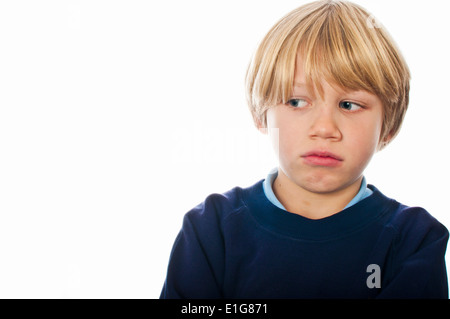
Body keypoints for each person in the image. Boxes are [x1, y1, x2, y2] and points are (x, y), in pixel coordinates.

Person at [160, 0, 449, 298]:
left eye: (349, 105)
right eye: (296, 102)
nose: (324, 128)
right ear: (261, 114)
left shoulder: (415, 241)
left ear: (388, 125)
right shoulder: (210, 230)